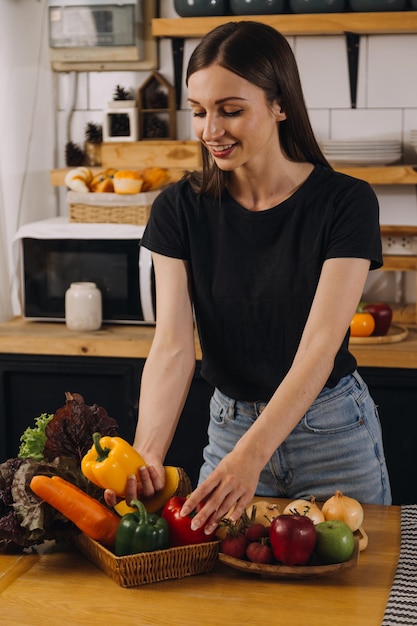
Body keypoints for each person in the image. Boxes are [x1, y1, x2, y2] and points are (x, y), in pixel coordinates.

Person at [105, 21, 392, 535]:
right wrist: (146, 455)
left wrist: (250, 456)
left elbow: (318, 348)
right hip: (229, 431)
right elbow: (172, 346)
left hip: (332, 437)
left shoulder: (345, 203)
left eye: (230, 110)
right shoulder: (178, 209)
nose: (210, 129)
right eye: (198, 112)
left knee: (350, 606)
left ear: (279, 103)